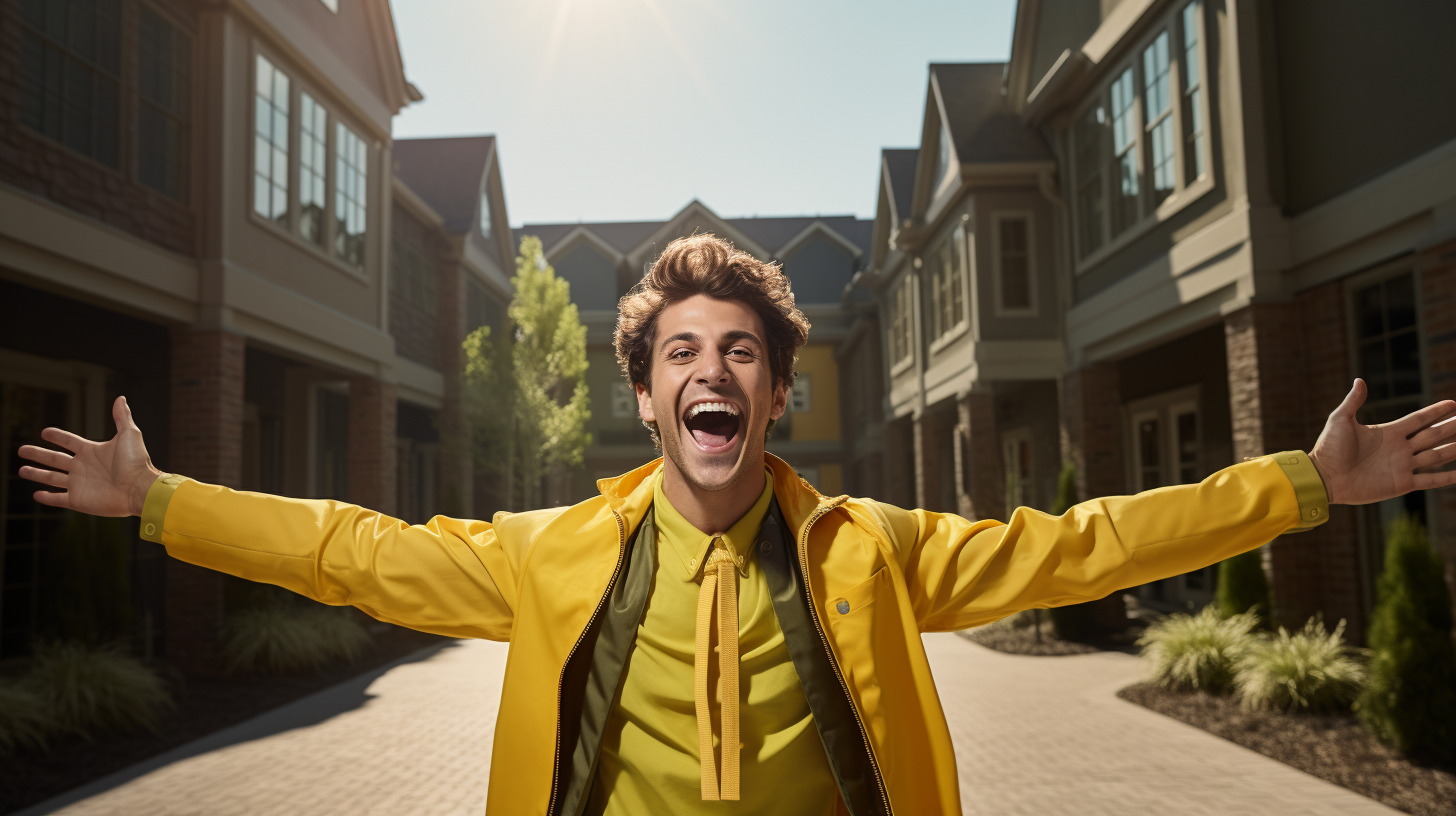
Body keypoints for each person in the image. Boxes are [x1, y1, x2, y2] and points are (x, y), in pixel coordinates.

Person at [17, 234, 1456, 816]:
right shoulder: (552, 555)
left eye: (744, 353)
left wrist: (1299, 487)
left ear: (775, 389)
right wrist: (163, 506)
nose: (715, 372)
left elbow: (1085, 543)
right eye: (684, 354)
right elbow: (353, 547)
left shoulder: (870, 549)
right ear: (647, 396)